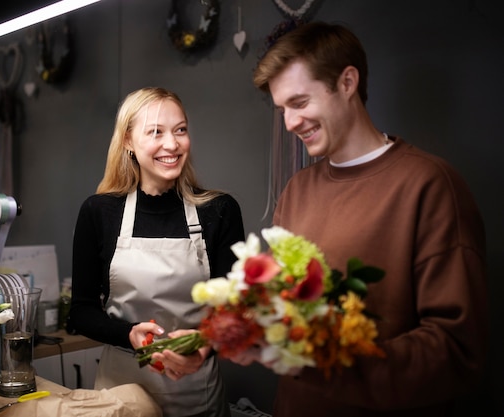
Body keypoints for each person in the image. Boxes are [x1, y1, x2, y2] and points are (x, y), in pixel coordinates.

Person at [239, 21, 488, 416]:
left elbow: (456, 349)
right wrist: (226, 331)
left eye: (300, 103)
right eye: (282, 109)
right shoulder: (297, 190)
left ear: (347, 82)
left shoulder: (429, 185)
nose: (289, 124)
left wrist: (326, 365)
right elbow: (279, 307)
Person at [68, 87, 244, 417]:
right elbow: (80, 311)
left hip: (195, 392)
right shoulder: (99, 212)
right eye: (155, 132)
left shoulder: (219, 211)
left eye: (180, 130)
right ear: (128, 142)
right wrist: (128, 333)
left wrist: (204, 344)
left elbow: (234, 311)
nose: (172, 144)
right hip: (120, 394)